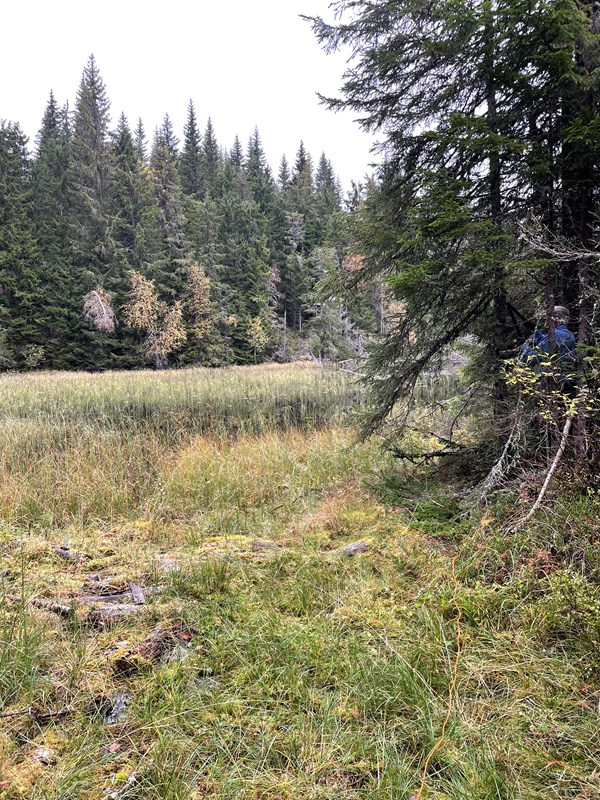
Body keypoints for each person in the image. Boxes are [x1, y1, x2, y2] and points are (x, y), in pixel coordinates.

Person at [520, 305, 576, 377]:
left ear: (555, 319)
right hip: (563, 378)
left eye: (547, 319)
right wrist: (535, 331)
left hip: (552, 380)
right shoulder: (569, 334)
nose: (545, 322)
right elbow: (546, 343)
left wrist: (524, 346)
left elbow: (533, 358)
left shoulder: (556, 334)